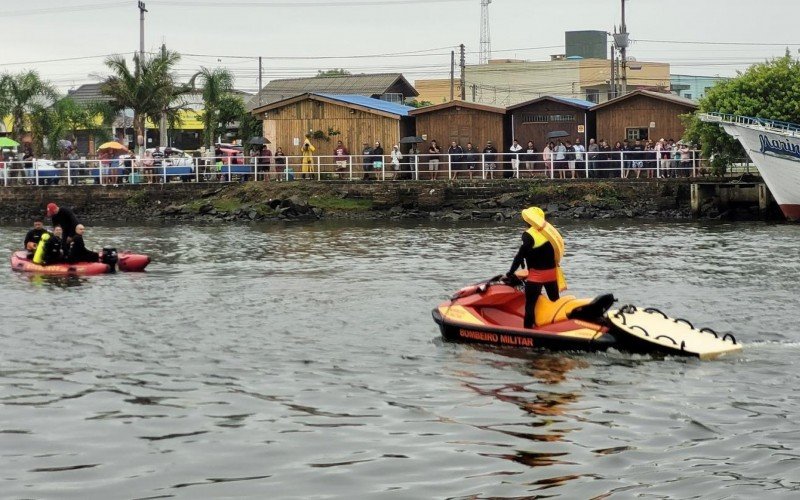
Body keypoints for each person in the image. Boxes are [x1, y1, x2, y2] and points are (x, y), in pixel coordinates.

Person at [506, 207, 566, 329]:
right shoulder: (551, 234)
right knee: (555, 302)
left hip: (536, 276)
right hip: (551, 274)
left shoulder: (528, 235)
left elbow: (519, 257)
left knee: (530, 305)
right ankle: (559, 326)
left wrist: (510, 272)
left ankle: (528, 332)